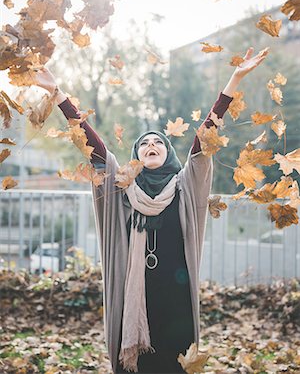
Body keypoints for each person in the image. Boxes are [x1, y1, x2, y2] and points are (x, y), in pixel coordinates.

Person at [35, 46, 268, 373]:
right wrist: (58, 94)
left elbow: (202, 144)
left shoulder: (185, 185)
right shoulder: (121, 186)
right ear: (136, 155)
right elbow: (95, 149)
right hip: (134, 294)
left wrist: (234, 79)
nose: (151, 146)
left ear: (168, 153)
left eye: (158, 142)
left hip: (176, 298)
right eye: (143, 143)